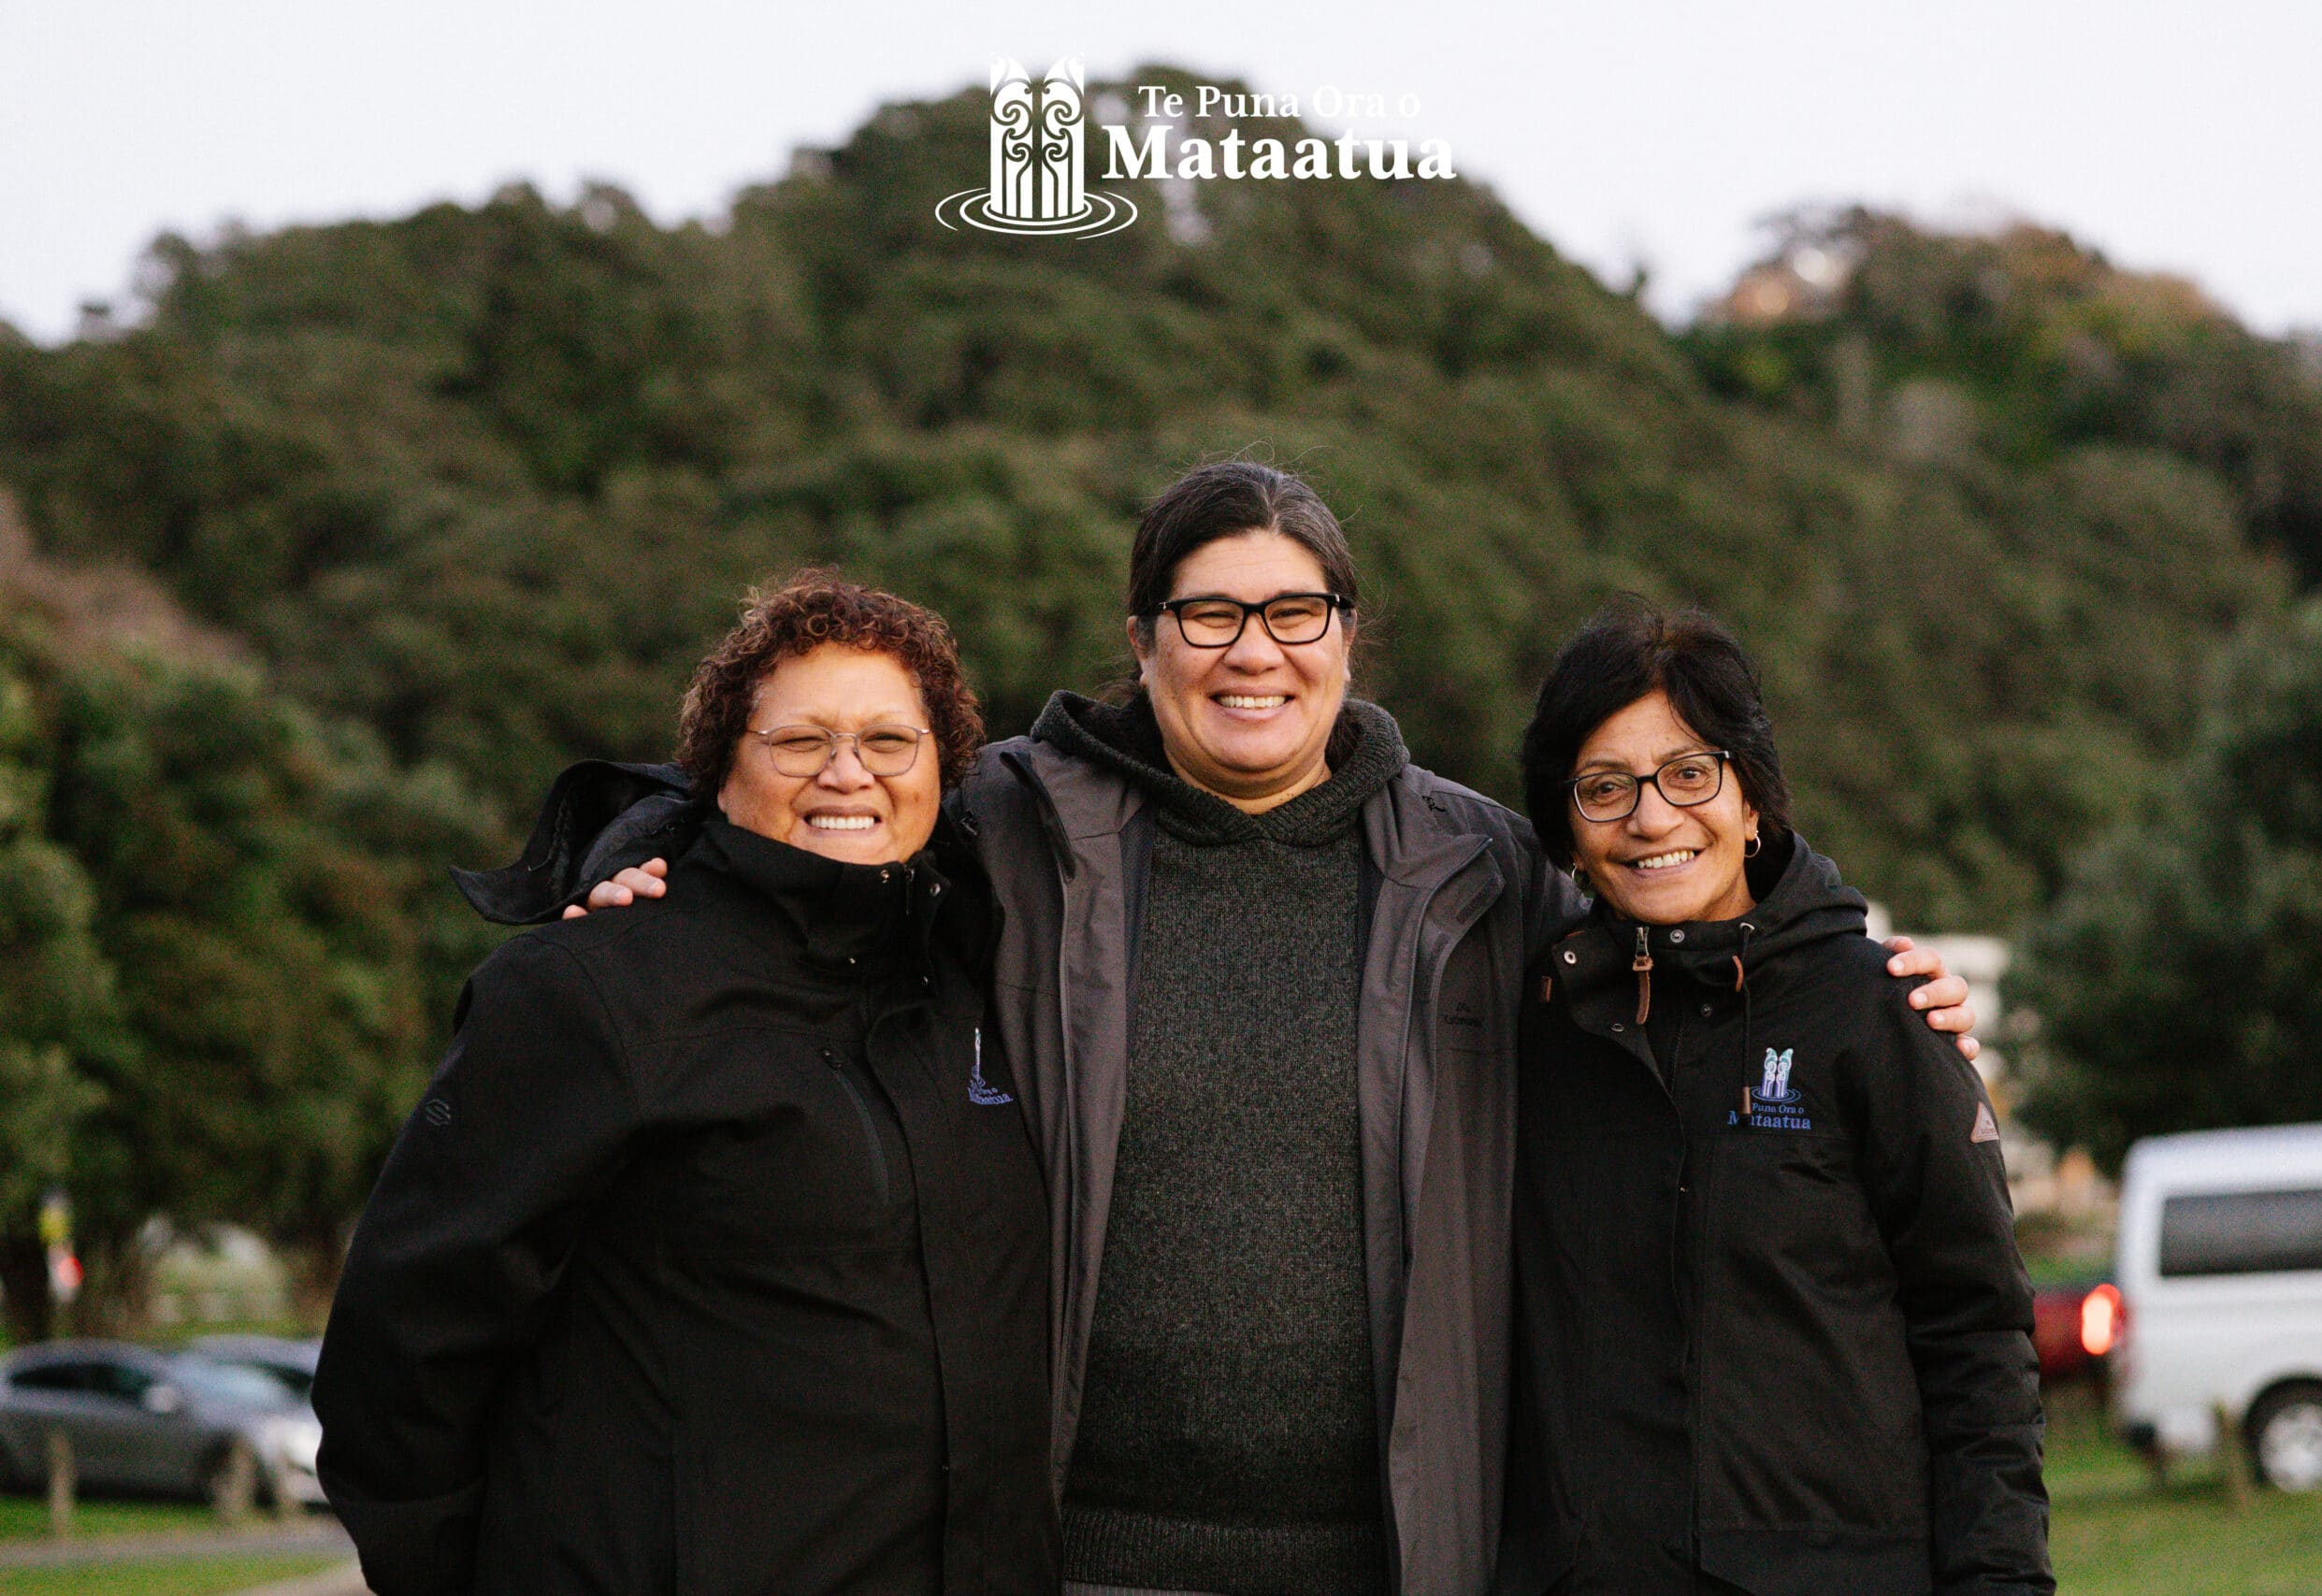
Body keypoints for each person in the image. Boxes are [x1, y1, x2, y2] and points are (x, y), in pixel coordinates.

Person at [515, 462, 1981, 1596]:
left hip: (1396, 1555)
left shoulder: (1481, 875)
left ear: (1346, 635)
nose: (1252, 652)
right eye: (1208, 612)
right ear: (1144, 635)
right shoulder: (1013, 825)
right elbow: (819, 792)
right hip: (1072, 1550)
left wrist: (1850, 957)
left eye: (1294, 612)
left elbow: (1690, 890)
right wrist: (633, 867)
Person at [311, 574, 1057, 1596]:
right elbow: (401, 1350)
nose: (850, 775)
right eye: (800, 743)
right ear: (715, 772)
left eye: (890, 742)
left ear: (942, 768)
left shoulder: (981, 973)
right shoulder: (588, 990)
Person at [1499, 600, 2050, 1595]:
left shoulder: (1873, 1015)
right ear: (1566, 835)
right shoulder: (1528, 1027)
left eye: (1688, 773)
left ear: (1752, 799)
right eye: (1603, 787)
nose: (1651, 817)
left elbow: (1976, 1341)